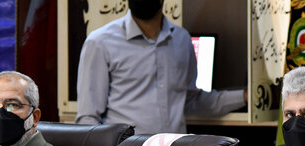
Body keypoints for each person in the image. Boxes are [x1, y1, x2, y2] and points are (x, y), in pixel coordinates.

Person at [75, 0, 246, 134]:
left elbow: (191, 101)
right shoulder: (99, 42)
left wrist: (245, 97)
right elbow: (87, 119)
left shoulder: (182, 40)